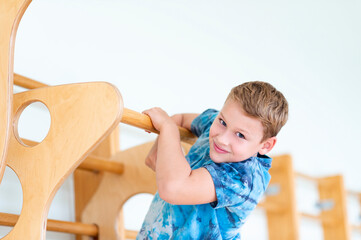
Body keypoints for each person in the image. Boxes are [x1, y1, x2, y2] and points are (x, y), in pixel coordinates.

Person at [137, 81, 289, 239]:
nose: (222, 139)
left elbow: (173, 188)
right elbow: (180, 119)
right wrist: (158, 152)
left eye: (240, 135)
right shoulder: (213, 122)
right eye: (222, 122)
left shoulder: (244, 178)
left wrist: (167, 128)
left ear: (266, 145)